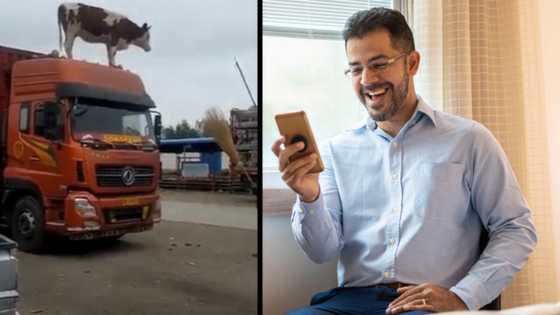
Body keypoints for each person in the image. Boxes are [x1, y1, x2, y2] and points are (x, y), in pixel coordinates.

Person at [271, 7, 537, 315]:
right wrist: (308, 196)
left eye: (379, 64)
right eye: (356, 69)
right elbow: (321, 252)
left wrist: (463, 297)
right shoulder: (335, 151)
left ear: (412, 63)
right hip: (348, 302)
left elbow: (517, 228)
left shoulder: (470, 140)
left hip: (428, 305)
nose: (367, 79)